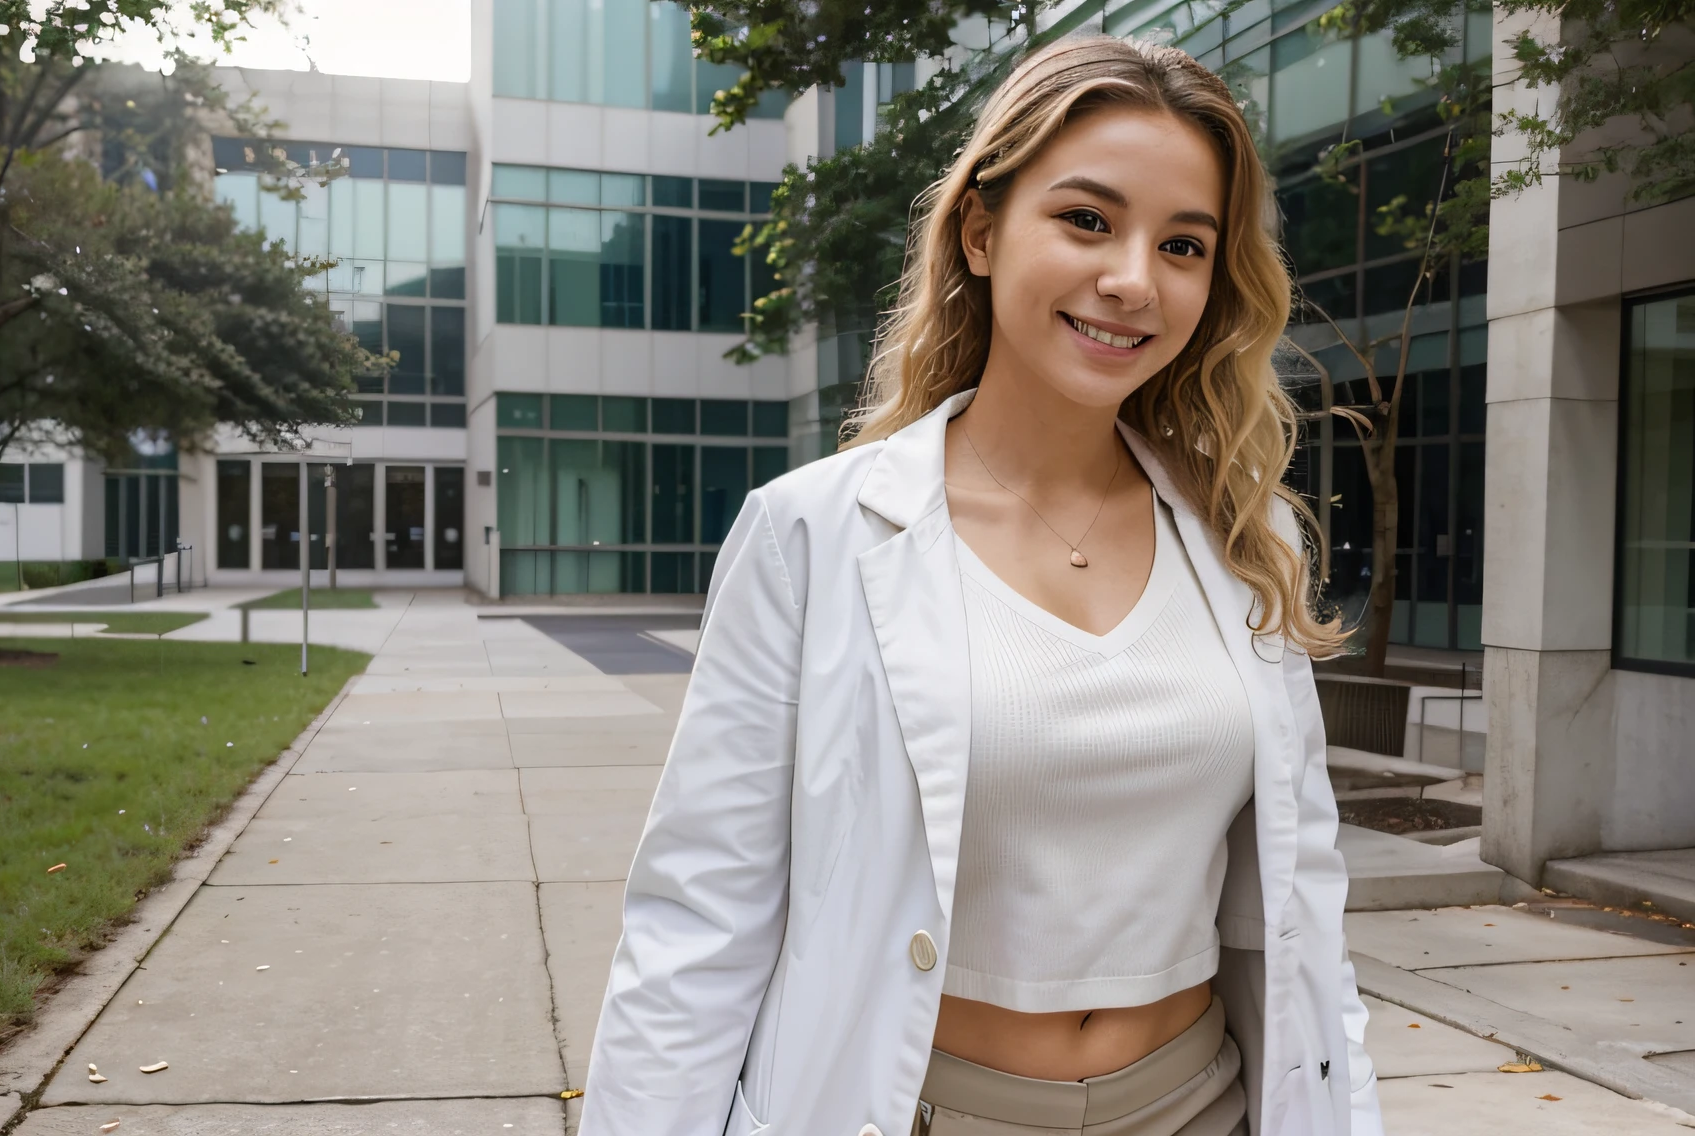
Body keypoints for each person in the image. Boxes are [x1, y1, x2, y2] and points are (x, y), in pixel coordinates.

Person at [578, 34, 1383, 1136]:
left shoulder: (1247, 536)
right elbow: (698, 919)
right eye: (1086, 219)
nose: (1132, 280)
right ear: (979, 230)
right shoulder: (810, 533)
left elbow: (1302, 904)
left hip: (1204, 1102)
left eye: (1183, 243)